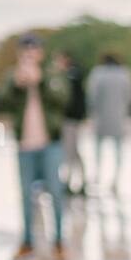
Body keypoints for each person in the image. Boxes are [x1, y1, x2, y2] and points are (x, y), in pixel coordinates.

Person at [0, 34, 69, 260]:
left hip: (50, 143)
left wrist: (41, 82)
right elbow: (0, 99)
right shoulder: (13, 75)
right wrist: (17, 85)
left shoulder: (52, 74)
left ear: (41, 52)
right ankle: (27, 242)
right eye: (26, 49)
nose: (30, 53)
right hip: (24, 144)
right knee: (25, 195)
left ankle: (59, 241)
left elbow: (64, 99)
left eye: (34, 49)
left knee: (56, 193)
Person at [86, 52, 131, 193]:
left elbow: (92, 96)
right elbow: (129, 96)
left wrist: (90, 113)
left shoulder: (97, 74)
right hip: (119, 118)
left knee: (97, 150)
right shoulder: (124, 74)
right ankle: (115, 179)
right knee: (118, 151)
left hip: (101, 118)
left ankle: (97, 175)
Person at [53, 51, 87, 196]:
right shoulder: (72, 74)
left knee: (70, 151)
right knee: (73, 151)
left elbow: (70, 99)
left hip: (71, 118)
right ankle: (77, 180)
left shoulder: (71, 75)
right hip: (71, 118)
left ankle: (70, 181)